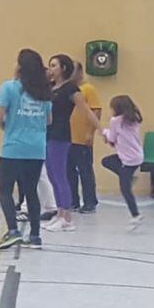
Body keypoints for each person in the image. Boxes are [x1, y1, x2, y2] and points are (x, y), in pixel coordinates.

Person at [0, 49, 53, 250]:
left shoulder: (9, 88)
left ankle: (13, 231)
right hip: (37, 148)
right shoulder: (44, 92)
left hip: (13, 147)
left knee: (5, 189)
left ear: (20, 66)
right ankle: (35, 236)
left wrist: (9, 128)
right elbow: (49, 120)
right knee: (31, 191)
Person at [42, 55, 99, 233]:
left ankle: (67, 217)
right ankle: (59, 213)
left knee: (60, 175)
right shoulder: (51, 87)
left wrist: (101, 129)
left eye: (54, 65)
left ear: (63, 68)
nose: (50, 69)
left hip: (60, 135)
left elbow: (87, 110)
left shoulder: (70, 89)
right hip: (47, 134)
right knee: (51, 175)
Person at [101, 95, 144, 230]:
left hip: (127, 160)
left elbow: (112, 137)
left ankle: (135, 215)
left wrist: (104, 132)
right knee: (107, 161)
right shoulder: (134, 119)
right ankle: (128, 176)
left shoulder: (116, 121)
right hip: (137, 156)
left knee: (125, 189)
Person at [67, 63, 102, 213]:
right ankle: (72, 201)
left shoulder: (88, 89)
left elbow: (96, 111)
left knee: (85, 170)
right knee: (68, 171)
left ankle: (90, 202)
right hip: (68, 137)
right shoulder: (68, 90)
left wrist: (90, 132)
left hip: (82, 138)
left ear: (79, 72)